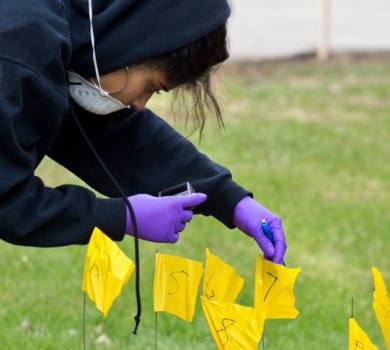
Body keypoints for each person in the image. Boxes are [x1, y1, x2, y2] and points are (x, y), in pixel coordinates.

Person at [0, 0, 287, 265]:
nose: (139, 104)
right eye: (151, 86)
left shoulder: (66, 33)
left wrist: (229, 199)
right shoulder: (17, 51)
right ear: (132, 45)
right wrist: (122, 216)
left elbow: (116, 138)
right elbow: (6, 199)